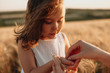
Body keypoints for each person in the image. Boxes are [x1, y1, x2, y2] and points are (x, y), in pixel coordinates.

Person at [15, 0, 79, 73]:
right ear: (34, 21)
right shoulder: (26, 42)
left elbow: (70, 68)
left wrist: (71, 68)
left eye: (59, 20)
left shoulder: (62, 38)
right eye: (48, 22)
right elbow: (30, 71)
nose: (55, 27)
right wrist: (54, 63)